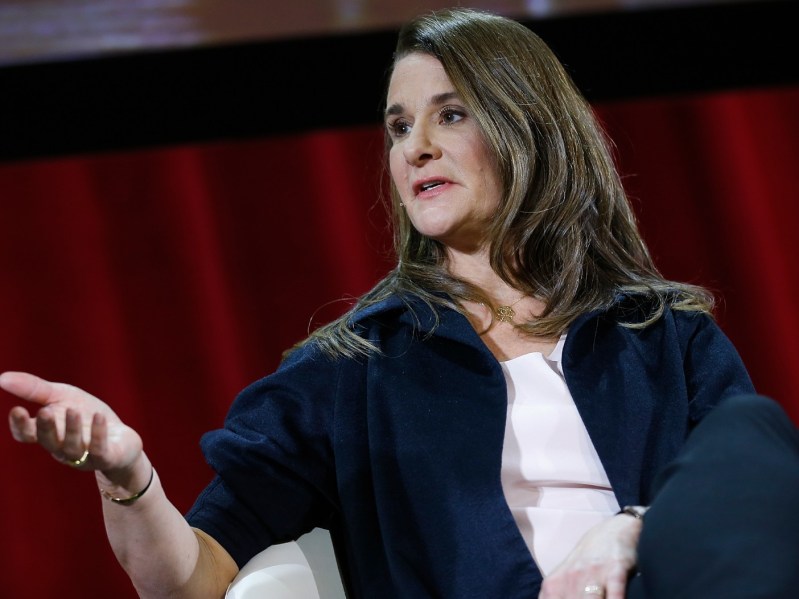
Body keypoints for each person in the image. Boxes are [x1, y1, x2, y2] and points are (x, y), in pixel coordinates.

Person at [2, 8, 799, 599]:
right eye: (397, 126)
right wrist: (127, 473)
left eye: (449, 114)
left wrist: (625, 528)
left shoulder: (659, 335)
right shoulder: (350, 371)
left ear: (532, 128)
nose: (413, 146)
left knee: (753, 432)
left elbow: (742, 504)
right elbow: (194, 578)